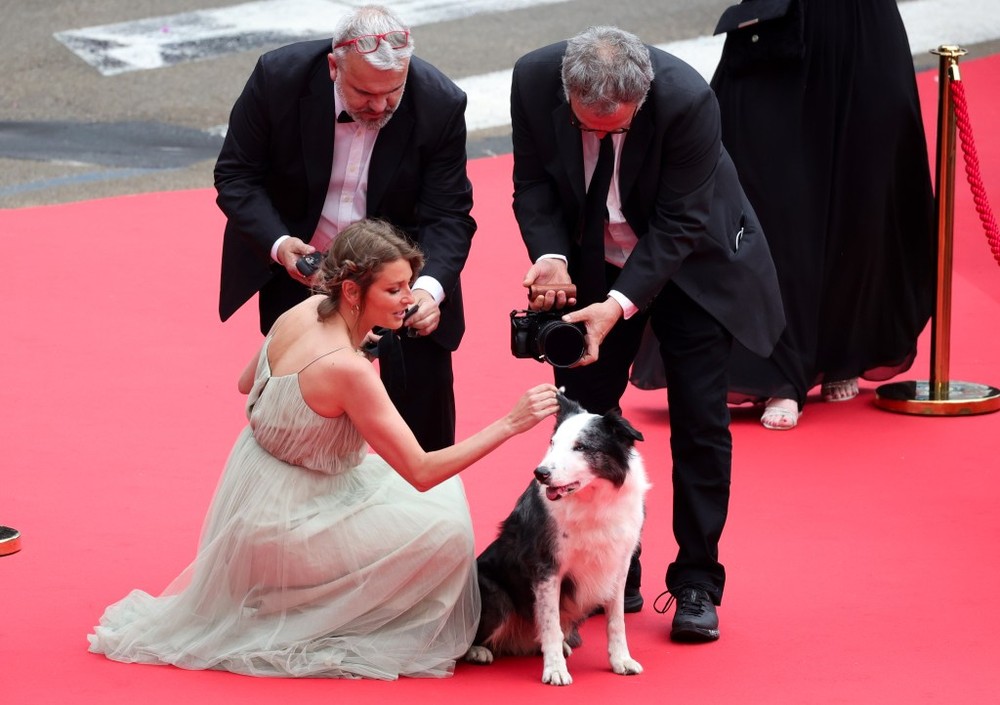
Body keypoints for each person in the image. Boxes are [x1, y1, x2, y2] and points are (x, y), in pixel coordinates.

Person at [88, 220, 560, 679]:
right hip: (291, 525)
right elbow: (421, 471)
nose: (409, 298)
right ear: (352, 291)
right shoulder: (347, 370)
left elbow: (245, 383)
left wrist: (352, 354)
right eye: (393, 289)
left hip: (256, 493)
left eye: (408, 285)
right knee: (446, 527)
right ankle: (348, 623)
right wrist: (510, 423)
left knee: (432, 501)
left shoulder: (304, 311)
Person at [510, 26, 785, 642]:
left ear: (643, 96)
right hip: (590, 260)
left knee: (700, 421)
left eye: (618, 128)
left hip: (693, 265)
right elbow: (533, 184)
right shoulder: (532, 78)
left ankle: (696, 582)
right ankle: (613, 575)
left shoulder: (687, 98)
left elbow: (680, 221)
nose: (602, 138)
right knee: (583, 420)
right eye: (588, 127)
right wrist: (551, 257)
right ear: (566, 92)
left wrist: (619, 305)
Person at [214, 4, 476, 451]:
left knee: (421, 431)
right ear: (334, 67)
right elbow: (236, 176)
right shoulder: (279, 77)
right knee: (295, 425)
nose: (379, 106)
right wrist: (281, 245)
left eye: (393, 93)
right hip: (303, 271)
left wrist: (428, 292)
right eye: (364, 93)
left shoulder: (440, 102)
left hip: (400, 283)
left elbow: (449, 215)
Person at [710, 0, 935, 429]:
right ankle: (781, 369)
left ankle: (842, 350)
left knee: (863, 190)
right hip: (782, 23)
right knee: (776, 197)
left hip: (862, 25)